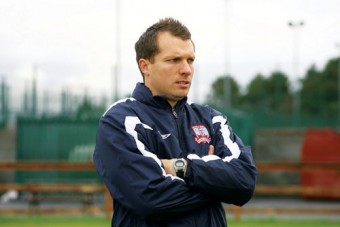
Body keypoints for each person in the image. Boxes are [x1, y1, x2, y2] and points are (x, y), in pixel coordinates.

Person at [93, 17, 256, 227]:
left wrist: (181, 168)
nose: (186, 70)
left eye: (190, 60)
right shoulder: (120, 120)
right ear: (145, 66)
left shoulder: (210, 119)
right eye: (174, 60)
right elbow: (151, 199)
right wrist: (215, 181)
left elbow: (244, 182)